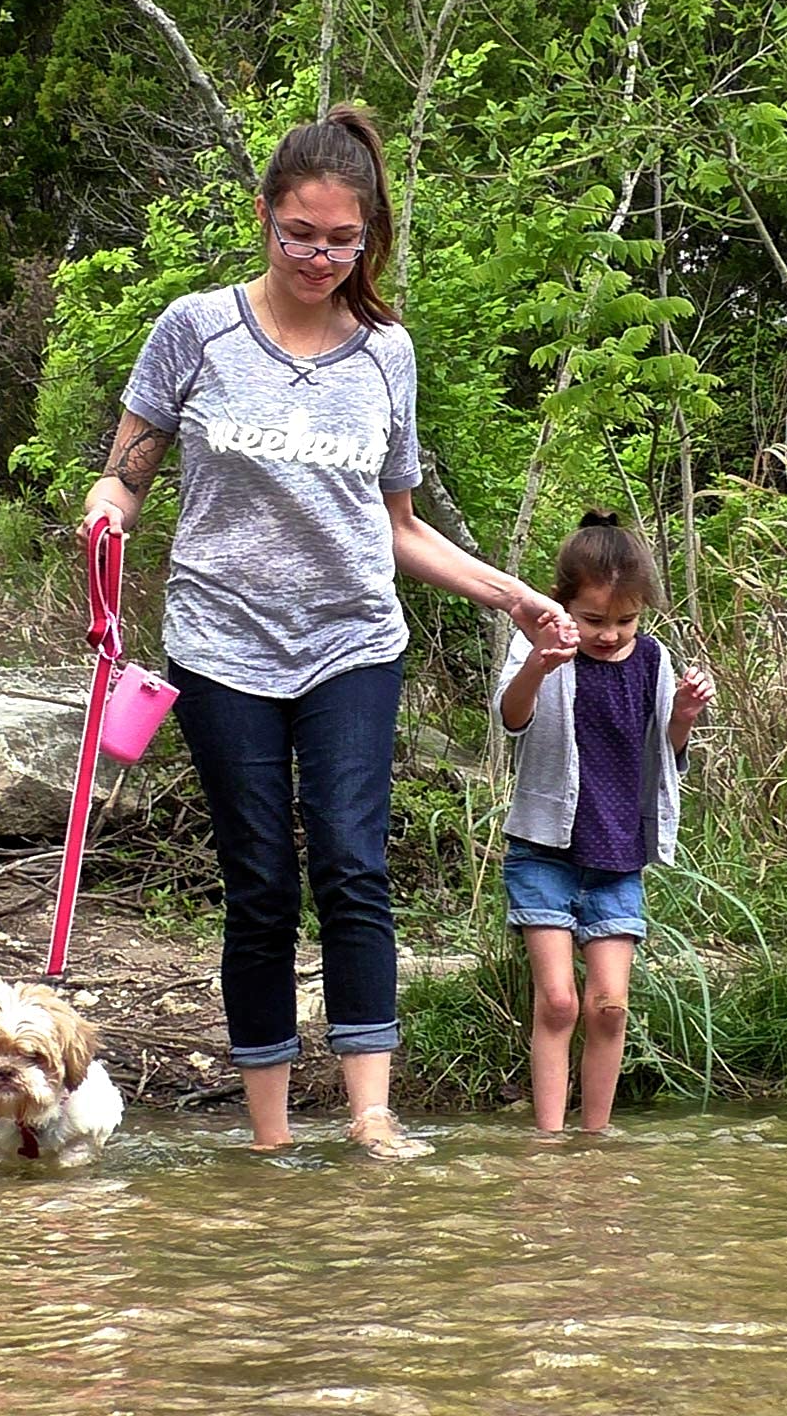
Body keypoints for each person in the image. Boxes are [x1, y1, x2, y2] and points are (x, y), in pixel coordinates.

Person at [81, 105, 576, 1159]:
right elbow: (126, 470)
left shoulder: (385, 354)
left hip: (352, 639)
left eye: (341, 240)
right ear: (263, 218)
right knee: (259, 877)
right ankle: (269, 1135)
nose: (318, 256)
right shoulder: (194, 327)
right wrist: (108, 513)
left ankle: (370, 1116)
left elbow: (396, 527)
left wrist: (511, 595)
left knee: (352, 864)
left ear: (369, 237)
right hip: (220, 642)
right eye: (299, 233)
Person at [495, 513, 712, 1135]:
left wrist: (685, 714)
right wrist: (541, 662)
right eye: (594, 621)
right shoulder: (538, 646)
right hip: (544, 850)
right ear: (563, 604)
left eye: (625, 621)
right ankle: (547, 1138)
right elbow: (511, 718)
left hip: (618, 855)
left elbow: (665, 754)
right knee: (559, 1001)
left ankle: (595, 1140)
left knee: (610, 1006)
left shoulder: (653, 659)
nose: (610, 635)